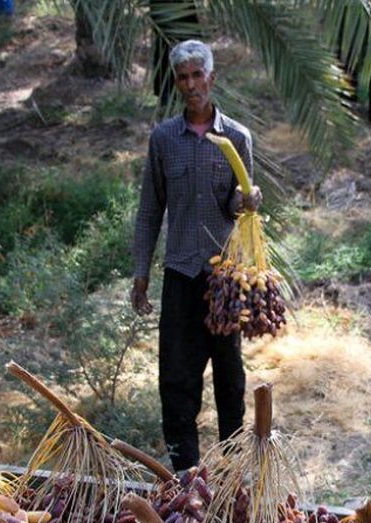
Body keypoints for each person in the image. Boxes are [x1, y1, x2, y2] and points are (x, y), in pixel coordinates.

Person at [131, 40, 262, 472]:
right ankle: (184, 474)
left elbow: (234, 205)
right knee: (176, 379)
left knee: (229, 378)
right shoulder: (165, 139)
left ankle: (230, 472)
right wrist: (141, 273)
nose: (191, 85)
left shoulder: (237, 137)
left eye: (197, 75)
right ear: (176, 83)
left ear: (211, 78)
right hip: (181, 275)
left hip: (224, 279)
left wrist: (247, 201)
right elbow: (151, 209)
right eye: (183, 78)